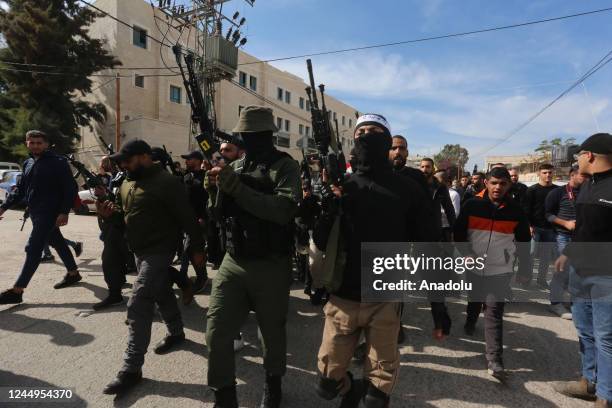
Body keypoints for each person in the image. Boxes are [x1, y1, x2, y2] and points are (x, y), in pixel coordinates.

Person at [315, 114, 433, 408]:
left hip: (385, 298)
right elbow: (318, 240)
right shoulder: (345, 186)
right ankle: (350, 389)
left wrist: (439, 306)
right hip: (343, 296)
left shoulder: (408, 189)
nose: (367, 135)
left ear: (387, 139)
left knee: (376, 397)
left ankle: (368, 393)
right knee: (327, 384)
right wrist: (329, 208)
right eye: (361, 131)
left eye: (375, 131)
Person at [204, 106, 301, 408]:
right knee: (216, 331)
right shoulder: (236, 167)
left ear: (268, 135)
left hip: (272, 263)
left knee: (270, 333)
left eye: (255, 135)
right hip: (235, 260)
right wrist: (212, 191)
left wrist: (237, 189)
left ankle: (273, 385)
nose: (250, 139)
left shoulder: (285, 167)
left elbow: (283, 211)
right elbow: (218, 216)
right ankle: (223, 393)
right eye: (246, 135)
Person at [100, 139, 205, 395]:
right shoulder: (126, 181)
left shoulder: (168, 183)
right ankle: (177, 333)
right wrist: (108, 214)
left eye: (127, 160)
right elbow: (126, 217)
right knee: (161, 292)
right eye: (121, 161)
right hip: (139, 249)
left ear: (145, 156)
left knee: (138, 301)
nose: (122, 165)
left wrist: (198, 250)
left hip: (160, 250)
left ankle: (131, 369)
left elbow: (187, 218)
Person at [454, 167, 531, 380]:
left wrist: (524, 270)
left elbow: (525, 242)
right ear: (486, 183)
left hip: (501, 270)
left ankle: (495, 360)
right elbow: (458, 232)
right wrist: (466, 253)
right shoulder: (472, 205)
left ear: (509, 185)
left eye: (503, 183)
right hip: (474, 265)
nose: (498, 187)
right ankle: (470, 320)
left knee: (494, 311)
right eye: (494, 182)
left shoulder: (516, 210)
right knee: (474, 299)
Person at [552, 133, 612, 407]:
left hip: (606, 276)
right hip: (580, 271)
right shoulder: (588, 185)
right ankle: (588, 381)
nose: (575, 158)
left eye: (578, 154)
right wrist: (568, 253)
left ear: (589, 156)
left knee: (606, 337)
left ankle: (605, 396)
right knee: (585, 330)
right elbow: (584, 228)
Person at [0, 130, 81, 305]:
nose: (35, 145)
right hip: (36, 212)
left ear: (46, 144)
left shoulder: (58, 162)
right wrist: (3, 207)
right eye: (32, 142)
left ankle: (17, 290)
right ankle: (73, 273)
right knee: (57, 241)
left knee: (33, 247)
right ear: (26, 143)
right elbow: (20, 190)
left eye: (39, 142)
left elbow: (70, 188)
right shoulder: (28, 162)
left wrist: (64, 211)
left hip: (50, 213)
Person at [544, 166, 584, 319]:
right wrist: (566, 223)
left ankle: (575, 304)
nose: (586, 179)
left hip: (582, 239)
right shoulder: (557, 193)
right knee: (562, 270)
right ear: (572, 175)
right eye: (583, 176)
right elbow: (548, 215)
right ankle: (555, 304)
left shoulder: (587, 192)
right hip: (563, 236)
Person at [178, 149, 209, 295]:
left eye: (189, 159)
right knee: (189, 250)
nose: (186, 161)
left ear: (198, 160)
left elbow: (207, 199)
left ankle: (202, 279)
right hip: (188, 220)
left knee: (193, 249)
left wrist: (203, 217)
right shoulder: (187, 176)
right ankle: (200, 277)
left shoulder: (205, 177)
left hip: (200, 220)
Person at [523, 163, 557, 289]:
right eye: (544, 172)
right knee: (530, 255)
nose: (547, 175)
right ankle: (527, 280)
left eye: (550, 172)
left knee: (546, 258)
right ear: (539, 174)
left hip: (550, 229)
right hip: (535, 228)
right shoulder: (532, 190)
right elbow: (526, 210)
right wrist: (529, 226)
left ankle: (541, 280)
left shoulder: (556, 191)